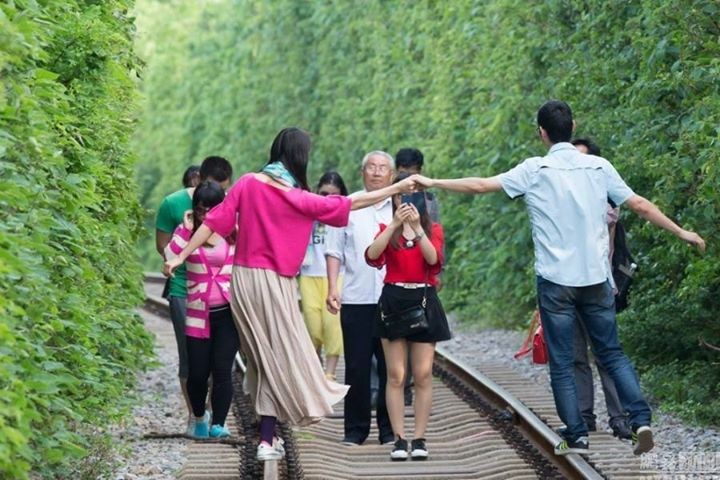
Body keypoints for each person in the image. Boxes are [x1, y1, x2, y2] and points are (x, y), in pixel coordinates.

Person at [412, 100, 705, 456]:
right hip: (596, 278)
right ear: (573, 125)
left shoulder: (535, 170)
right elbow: (640, 205)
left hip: (555, 282)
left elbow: (479, 185)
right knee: (611, 353)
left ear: (542, 133)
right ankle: (640, 419)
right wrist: (682, 232)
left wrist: (432, 181)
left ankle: (577, 435)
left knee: (563, 361)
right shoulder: (598, 166)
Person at [164, 128, 414, 462]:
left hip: (243, 280)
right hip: (272, 282)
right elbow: (350, 203)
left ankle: (271, 432)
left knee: (265, 360)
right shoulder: (295, 195)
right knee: (276, 359)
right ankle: (266, 439)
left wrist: (180, 256)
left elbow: (212, 224)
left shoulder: (249, 182)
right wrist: (397, 187)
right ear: (299, 156)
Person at [366, 172, 451, 461]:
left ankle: (420, 437)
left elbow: (433, 261)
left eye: (413, 196)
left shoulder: (433, 229)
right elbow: (372, 256)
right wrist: (394, 225)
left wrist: (417, 229)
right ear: (394, 198)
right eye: (401, 196)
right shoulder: (385, 228)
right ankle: (399, 438)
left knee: (424, 373)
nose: (407, 202)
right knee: (395, 374)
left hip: (424, 298)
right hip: (393, 298)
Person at [155, 156, 233, 436]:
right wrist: (187, 228)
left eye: (210, 210)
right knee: (198, 371)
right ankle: (199, 416)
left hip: (227, 309)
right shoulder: (185, 231)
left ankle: (219, 424)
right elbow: (170, 257)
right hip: (196, 308)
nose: (205, 215)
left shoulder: (232, 232)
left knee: (223, 369)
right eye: (200, 210)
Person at [325, 151, 397, 446]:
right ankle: (355, 431)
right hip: (355, 298)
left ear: (391, 176)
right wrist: (332, 287)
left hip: (393, 299)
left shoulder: (400, 207)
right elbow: (334, 250)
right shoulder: (347, 206)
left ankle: (390, 431)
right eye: (372, 167)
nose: (377, 173)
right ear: (362, 172)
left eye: (383, 168)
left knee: (392, 367)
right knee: (356, 366)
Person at [569, 137, 632, 440]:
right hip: (567, 285)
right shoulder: (565, 196)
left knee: (606, 354)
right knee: (577, 355)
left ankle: (618, 418)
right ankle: (584, 417)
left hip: (599, 285)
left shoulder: (606, 199)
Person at [395, 148, 442, 407]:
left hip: (423, 274)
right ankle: (398, 386)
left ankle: (409, 385)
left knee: (419, 329)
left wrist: (438, 272)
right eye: (403, 173)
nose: (409, 178)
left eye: (412, 172)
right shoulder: (392, 196)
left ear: (421, 172)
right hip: (396, 274)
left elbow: (437, 237)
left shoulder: (431, 200)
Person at [299, 171, 349, 381]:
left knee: (332, 324)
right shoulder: (308, 214)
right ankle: (315, 366)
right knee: (312, 324)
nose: (328, 198)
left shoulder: (345, 216)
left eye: (333, 195)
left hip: (337, 276)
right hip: (309, 275)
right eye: (324, 193)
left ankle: (329, 373)